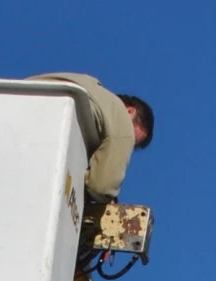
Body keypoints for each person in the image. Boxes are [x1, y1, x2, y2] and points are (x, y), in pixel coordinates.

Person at [34, 75, 154, 204]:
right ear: (130, 111)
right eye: (132, 141)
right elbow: (101, 187)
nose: (128, 143)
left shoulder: (89, 86)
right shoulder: (121, 119)